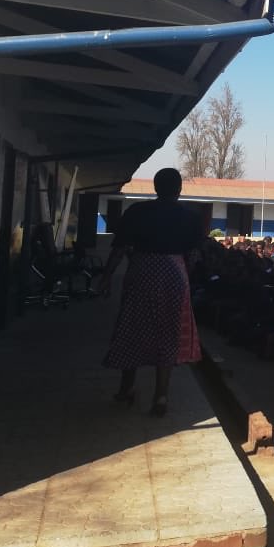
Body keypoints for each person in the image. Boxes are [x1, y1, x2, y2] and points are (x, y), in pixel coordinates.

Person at [100, 167, 203, 417]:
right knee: (168, 333)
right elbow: (195, 255)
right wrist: (184, 276)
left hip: (141, 272)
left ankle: (126, 389)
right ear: (179, 189)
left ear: (156, 188)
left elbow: (120, 248)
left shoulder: (137, 211)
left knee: (133, 327)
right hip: (175, 275)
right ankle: (161, 396)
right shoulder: (190, 217)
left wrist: (106, 276)